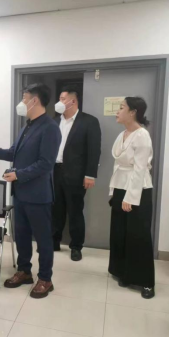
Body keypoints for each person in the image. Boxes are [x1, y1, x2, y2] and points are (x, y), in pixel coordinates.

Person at [0, 83, 61, 298]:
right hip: (20, 193)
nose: (21, 102)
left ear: (34, 100)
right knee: (21, 235)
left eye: (24, 98)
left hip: (38, 195)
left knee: (43, 239)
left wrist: (19, 174)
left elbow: (46, 164)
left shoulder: (50, 128)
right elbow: (13, 153)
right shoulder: (27, 126)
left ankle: (45, 278)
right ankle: (24, 271)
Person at [108, 97, 155, 299]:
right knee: (120, 233)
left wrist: (131, 197)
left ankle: (146, 282)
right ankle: (124, 273)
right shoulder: (122, 134)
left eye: (121, 108)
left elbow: (140, 168)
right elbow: (117, 165)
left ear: (133, 112)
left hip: (138, 190)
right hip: (121, 186)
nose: (117, 112)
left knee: (138, 235)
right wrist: (113, 191)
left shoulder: (142, 135)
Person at [52, 86, 102, 261]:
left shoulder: (89, 121)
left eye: (62, 99)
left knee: (75, 211)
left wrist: (90, 174)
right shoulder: (54, 121)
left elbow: (94, 150)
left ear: (72, 101)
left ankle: (76, 247)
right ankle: (54, 241)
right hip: (54, 171)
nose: (59, 102)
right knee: (55, 209)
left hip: (76, 174)